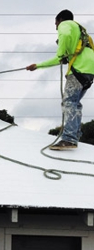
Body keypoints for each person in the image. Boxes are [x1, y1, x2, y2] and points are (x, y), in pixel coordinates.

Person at [26, 9, 94, 150]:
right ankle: (75, 134)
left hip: (79, 70)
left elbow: (64, 35)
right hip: (90, 70)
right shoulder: (82, 35)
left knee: (69, 102)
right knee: (75, 103)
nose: (56, 27)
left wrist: (61, 53)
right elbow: (59, 59)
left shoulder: (66, 24)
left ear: (60, 19)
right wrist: (37, 66)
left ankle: (69, 139)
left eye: (55, 23)